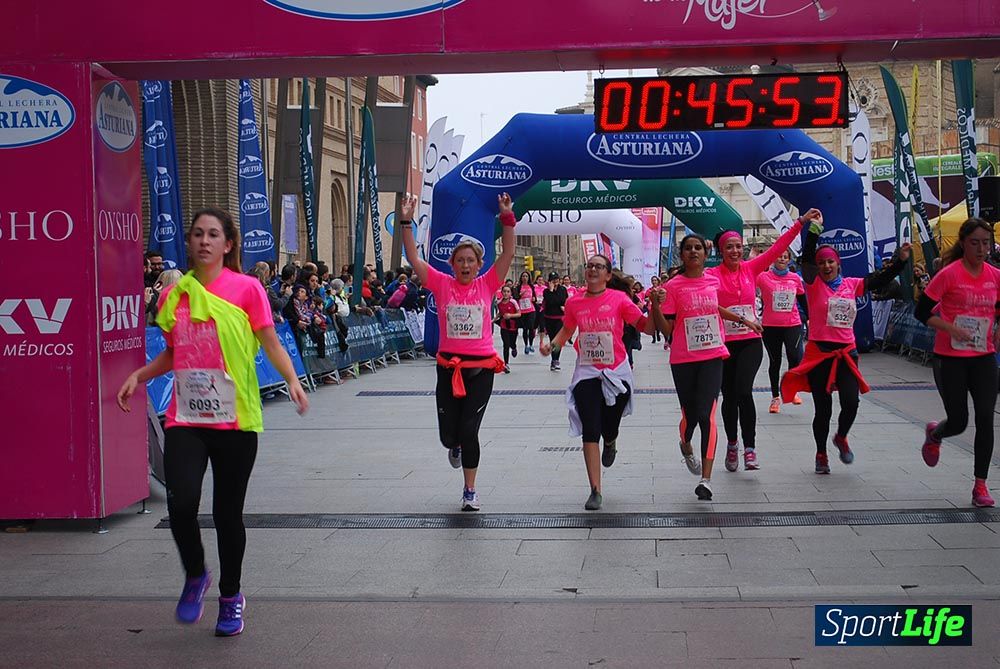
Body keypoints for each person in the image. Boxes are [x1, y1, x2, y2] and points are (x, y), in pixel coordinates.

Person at [116, 207, 308, 637]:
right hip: (186, 418)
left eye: (213, 234)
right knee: (182, 504)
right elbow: (173, 353)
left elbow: (270, 341)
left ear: (228, 244)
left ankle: (231, 597)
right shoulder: (174, 295)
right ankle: (195, 573)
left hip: (235, 420)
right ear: (189, 242)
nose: (204, 241)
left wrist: (293, 380)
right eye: (197, 234)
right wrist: (139, 375)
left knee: (226, 515)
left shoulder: (247, 289)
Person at [400, 192, 516, 511]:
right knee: (449, 437)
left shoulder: (488, 284)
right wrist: (406, 221)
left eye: (471, 261)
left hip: (481, 370)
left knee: (469, 430)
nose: (465, 265)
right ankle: (455, 446)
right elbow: (413, 258)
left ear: (479, 265)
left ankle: (470, 490)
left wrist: (507, 217)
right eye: (460, 260)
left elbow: (508, 253)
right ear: (452, 264)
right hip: (449, 369)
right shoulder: (441, 284)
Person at [781, 215, 910, 474]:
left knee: (851, 403)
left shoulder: (852, 285)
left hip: (846, 354)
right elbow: (807, 259)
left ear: (838, 264)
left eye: (830, 261)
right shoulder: (813, 284)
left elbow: (880, 279)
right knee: (823, 409)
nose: (826, 266)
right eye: (821, 263)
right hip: (820, 353)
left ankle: (841, 437)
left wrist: (900, 261)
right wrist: (814, 230)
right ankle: (821, 454)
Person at [540, 255, 657, 510]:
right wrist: (553, 346)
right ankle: (595, 490)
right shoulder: (574, 302)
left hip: (617, 371)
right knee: (591, 428)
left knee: (610, 424)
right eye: (590, 266)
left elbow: (645, 326)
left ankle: (611, 440)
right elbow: (567, 330)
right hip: (587, 371)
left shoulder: (619, 299)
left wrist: (656, 308)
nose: (593, 269)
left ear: (608, 275)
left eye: (599, 266)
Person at [653, 234, 759, 501]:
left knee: (706, 414)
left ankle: (706, 480)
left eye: (698, 248)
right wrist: (655, 305)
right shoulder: (673, 286)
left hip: (712, 355)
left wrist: (744, 320)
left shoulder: (713, 280)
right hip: (683, 358)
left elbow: (715, 307)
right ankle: (686, 443)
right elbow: (667, 329)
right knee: (690, 417)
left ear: (705, 253)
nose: (693, 251)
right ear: (682, 255)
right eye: (688, 248)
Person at [707, 212, 815, 473]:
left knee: (744, 391)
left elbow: (778, 247)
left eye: (738, 246)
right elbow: (707, 302)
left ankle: (750, 448)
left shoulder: (751, 268)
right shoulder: (711, 275)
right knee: (729, 396)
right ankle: (732, 444)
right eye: (729, 247)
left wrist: (800, 223)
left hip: (750, 340)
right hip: (723, 343)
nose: (735, 251)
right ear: (721, 251)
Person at [916, 217, 1000, 507]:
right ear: (963, 243)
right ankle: (936, 433)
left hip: (984, 357)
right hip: (950, 358)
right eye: (975, 243)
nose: (981, 249)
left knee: (986, 418)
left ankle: (980, 485)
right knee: (959, 421)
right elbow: (921, 312)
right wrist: (951, 328)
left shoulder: (995, 276)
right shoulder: (949, 275)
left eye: (986, 243)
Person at [756, 249, 806, 414]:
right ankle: (775, 397)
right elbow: (749, 280)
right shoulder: (763, 277)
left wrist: (810, 318)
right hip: (770, 326)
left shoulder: (795, 278)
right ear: (773, 259)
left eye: (785, 257)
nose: (782, 259)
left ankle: (791, 390)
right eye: (779, 256)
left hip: (793, 324)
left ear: (789, 260)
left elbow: (802, 299)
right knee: (775, 362)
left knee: (794, 357)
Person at [541, 271, 569, 371]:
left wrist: (558, 301)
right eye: (553, 280)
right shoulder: (546, 291)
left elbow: (562, 300)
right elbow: (551, 302)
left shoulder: (563, 289)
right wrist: (551, 291)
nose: (555, 281)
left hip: (559, 318)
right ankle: (553, 359)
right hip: (549, 318)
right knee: (552, 340)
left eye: (556, 279)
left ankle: (556, 359)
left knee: (558, 340)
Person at [494, 284, 521, 372]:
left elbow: (519, 314)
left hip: (513, 326)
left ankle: (514, 347)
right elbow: (500, 313)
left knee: (511, 343)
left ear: (510, 293)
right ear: (502, 292)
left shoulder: (513, 302)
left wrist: (510, 315)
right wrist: (493, 319)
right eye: (504, 291)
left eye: (508, 292)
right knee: (506, 344)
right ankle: (506, 364)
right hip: (504, 326)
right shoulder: (499, 303)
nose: (506, 293)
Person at [515, 271, 537, 354]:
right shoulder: (518, 287)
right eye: (523, 276)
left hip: (531, 310)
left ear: (529, 278)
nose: (525, 278)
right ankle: (526, 345)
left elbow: (534, 297)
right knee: (525, 329)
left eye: (526, 276)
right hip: (522, 310)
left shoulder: (531, 286)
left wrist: (534, 299)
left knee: (531, 327)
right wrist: (520, 295)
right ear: (521, 278)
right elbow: (515, 297)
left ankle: (531, 344)